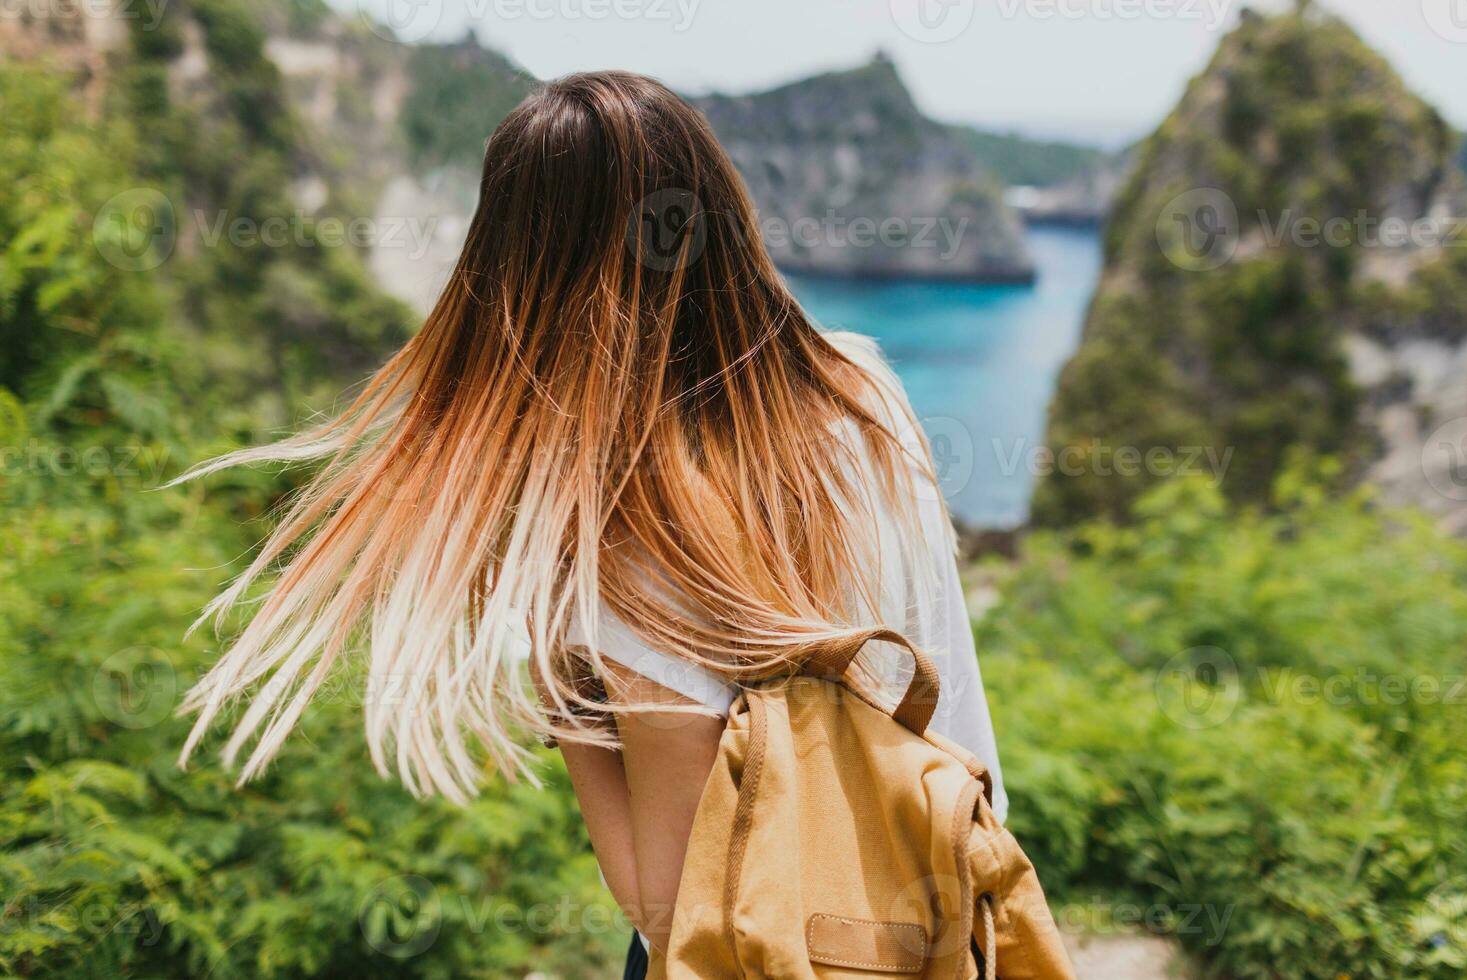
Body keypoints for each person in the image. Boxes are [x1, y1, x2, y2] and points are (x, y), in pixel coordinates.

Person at [173, 70, 1006, 974]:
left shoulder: (638, 534)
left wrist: (564, 685)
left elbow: (675, 903)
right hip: (956, 905)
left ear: (516, 275)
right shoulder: (862, 384)